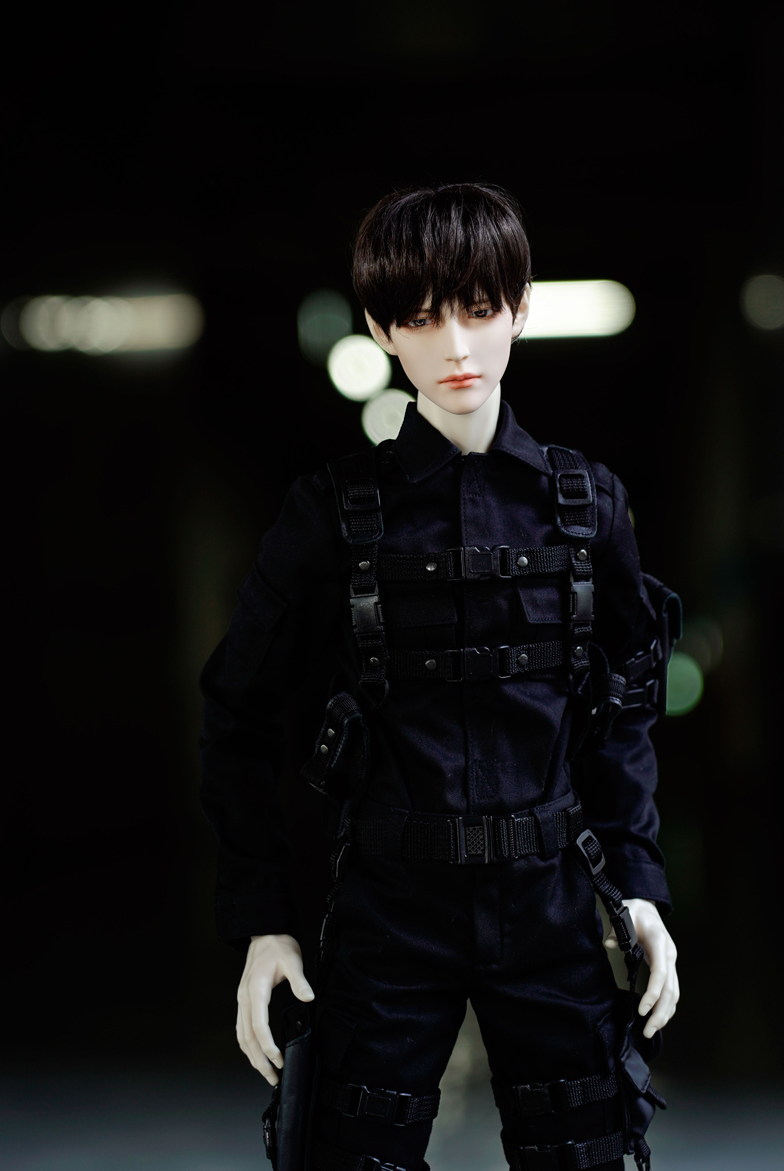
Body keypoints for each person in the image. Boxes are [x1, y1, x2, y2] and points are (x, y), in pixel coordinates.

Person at [199, 183, 679, 1171]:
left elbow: (629, 699)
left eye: (479, 309)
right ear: (381, 330)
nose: (455, 345)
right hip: (390, 910)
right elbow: (236, 710)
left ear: (520, 308)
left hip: (553, 903)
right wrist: (264, 922)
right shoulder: (331, 517)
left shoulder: (586, 509)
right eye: (419, 319)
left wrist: (637, 883)